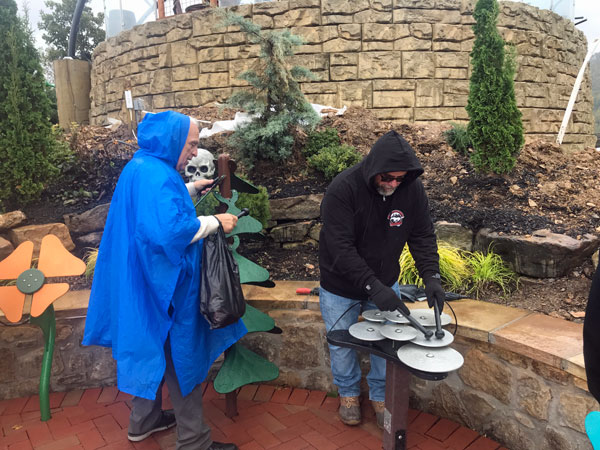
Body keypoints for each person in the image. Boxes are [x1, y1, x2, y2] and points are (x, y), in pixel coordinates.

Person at [82, 111, 246, 450]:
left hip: (139, 281)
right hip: (164, 286)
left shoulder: (142, 166)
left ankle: (144, 421)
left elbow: (152, 211)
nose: (194, 152)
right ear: (171, 141)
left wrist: (186, 189)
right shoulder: (158, 175)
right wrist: (216, 221)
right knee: (179, 356)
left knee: (149, 346)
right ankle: (195, 442)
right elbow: (171, 231)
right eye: (191, 144)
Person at [318, 130, 445, 428]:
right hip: (340, 284)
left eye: (399, 179)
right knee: (341, 343)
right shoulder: (343, 189)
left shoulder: (411, 190)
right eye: (387, 177)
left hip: (385, 280)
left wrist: (432, 276)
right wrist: (372, 286)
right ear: (374, 168)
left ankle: (379, 395)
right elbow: (340, 247)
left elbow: (422, 235)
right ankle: (348, 394)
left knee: (389, 343)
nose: (392, 184)